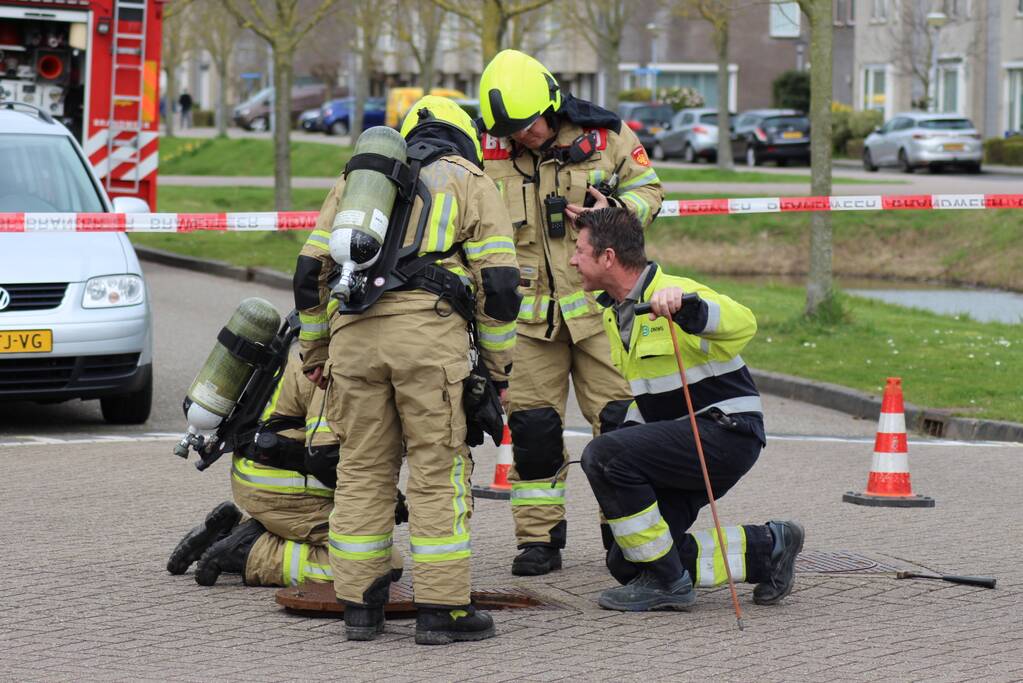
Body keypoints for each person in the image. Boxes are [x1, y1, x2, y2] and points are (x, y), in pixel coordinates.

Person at [294, 96, 521, 644]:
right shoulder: (470, 180)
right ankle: (442, 611)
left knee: (362, 469)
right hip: (428, 343)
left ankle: (360, 607)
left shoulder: (358, 180)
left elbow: (308, 273)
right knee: (436, 471)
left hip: (354, 342)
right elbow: (500, 285)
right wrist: (496, 370)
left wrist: (317, 354)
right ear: (463, 136)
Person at [476, 49, 663, 576]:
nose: (523, 136)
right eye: (511, 130)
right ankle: (539, 540)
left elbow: (650, 190)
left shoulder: (605, 134)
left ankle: (624, 536)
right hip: (528, 323)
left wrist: (616, 214)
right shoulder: (484, 145)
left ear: (551, 104)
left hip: (602, 314)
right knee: (533, 432)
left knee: (620, 426)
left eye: (529, 124)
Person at [569, 207, 804, 612]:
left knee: (604, 456)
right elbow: (654, 395)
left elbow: (744, 323)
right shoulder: (615, 312)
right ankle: (770, 548)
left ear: (608, 257)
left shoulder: (674, 291)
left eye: (579, 250)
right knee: (628, 562)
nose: (573, 260)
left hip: (724, 434)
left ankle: (670, 584)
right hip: (681, 441)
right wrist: (625, 427)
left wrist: (691, 309)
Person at [166, 350, 405, 588]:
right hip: (288, 494)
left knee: (369, 540)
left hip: (260, 478)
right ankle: (250, 551)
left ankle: (231, 531)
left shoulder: (307, 349)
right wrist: (383, 495)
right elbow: (324, 457)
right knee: (377, 563)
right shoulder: (334, 366)